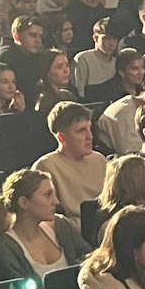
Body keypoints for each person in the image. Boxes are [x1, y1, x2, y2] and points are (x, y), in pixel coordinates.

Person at [33, 101, 108, 239]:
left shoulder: (99, 160)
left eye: (89, 128)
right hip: (74, 235)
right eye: (81, 130)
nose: (90, 136)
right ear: (62, 137)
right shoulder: (46, 167)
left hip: (106, 228)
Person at [95, 49, 145, 151]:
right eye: (135, 68)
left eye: (142, 68)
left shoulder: (144, 91)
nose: (140, 72)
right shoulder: (112, 96)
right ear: (121, 72)